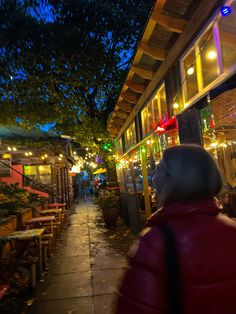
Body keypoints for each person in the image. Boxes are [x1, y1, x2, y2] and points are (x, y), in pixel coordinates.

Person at [116, 144, 236, 314]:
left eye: (160, 170)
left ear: (172, 181)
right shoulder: (232, 231)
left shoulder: (154, 243)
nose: (153, 177)